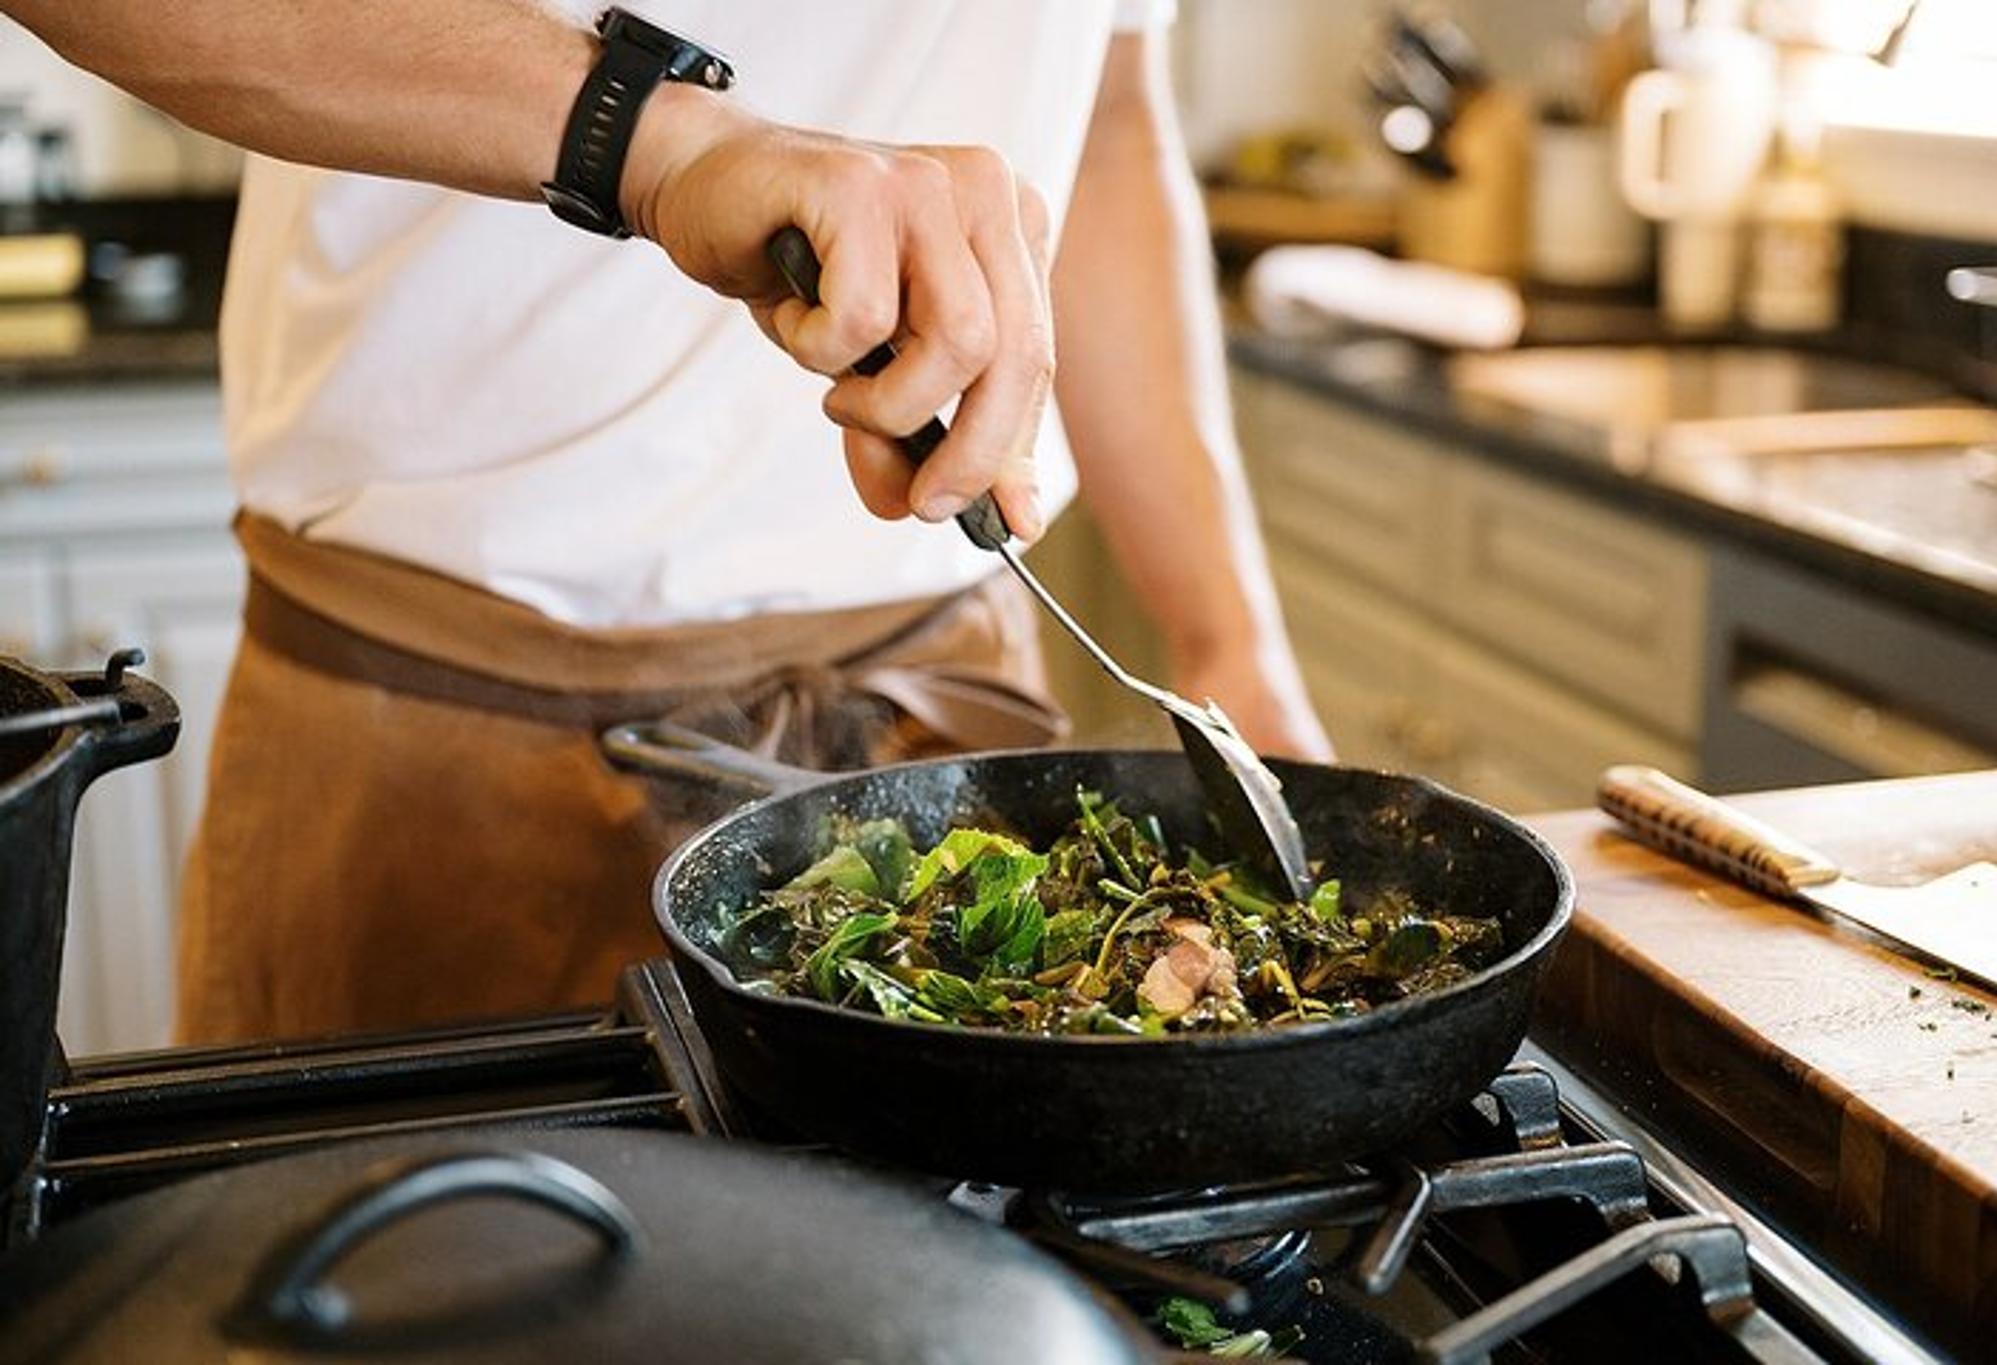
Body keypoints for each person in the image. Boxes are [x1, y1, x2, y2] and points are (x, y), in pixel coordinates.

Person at [7, 0, 1330, 1042]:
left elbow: (1106, 126)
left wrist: (1227, 636)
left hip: (936, 733)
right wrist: (652, 139)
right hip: (439, 745)